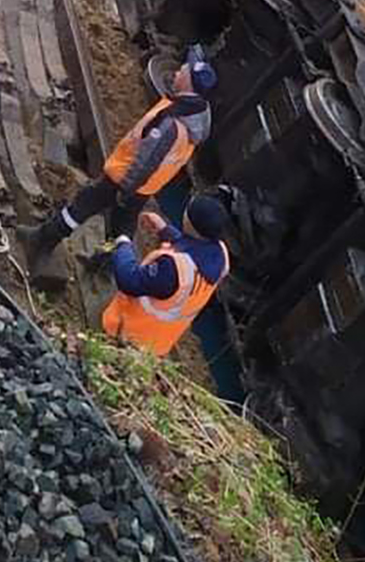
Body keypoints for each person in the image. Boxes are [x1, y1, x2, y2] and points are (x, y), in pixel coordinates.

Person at [23, 47, 217, 271]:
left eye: (184, 69)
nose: (178, 70)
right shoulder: (193, 117)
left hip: (125, 179)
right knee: (121, 230)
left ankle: (43, 239)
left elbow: (147, 159)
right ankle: (104, 262)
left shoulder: (174, 122)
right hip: (143, 188)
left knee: (82, 205)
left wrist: (125, 188)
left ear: (188, 82)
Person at [102, 196, 231, 358]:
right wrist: (166, 231)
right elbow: (196, 251)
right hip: (157, 344)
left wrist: (123, 244)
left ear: (189, 222)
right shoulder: (220, 254)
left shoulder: (171, 269)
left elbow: (129, 281)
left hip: (127, 335)